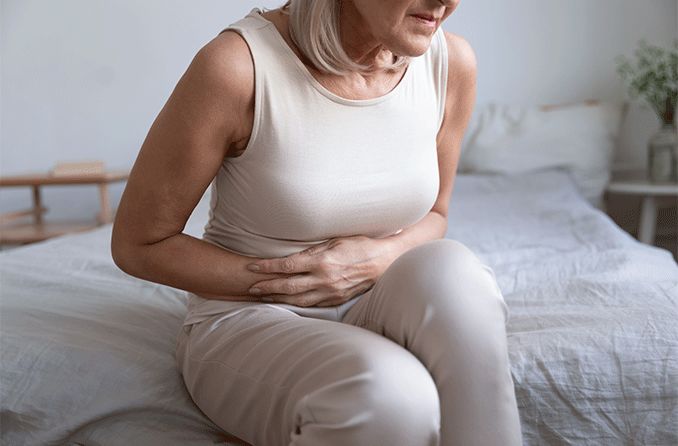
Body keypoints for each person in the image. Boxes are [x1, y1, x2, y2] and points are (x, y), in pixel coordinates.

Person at [111, 0, 524, 445]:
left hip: (378, 297)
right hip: (250, 317)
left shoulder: (450, 62)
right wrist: (296, 280)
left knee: (456, 273)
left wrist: (373, 260)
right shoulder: (238, 66)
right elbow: (140, 244)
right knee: (393, 394)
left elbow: (437, 215)